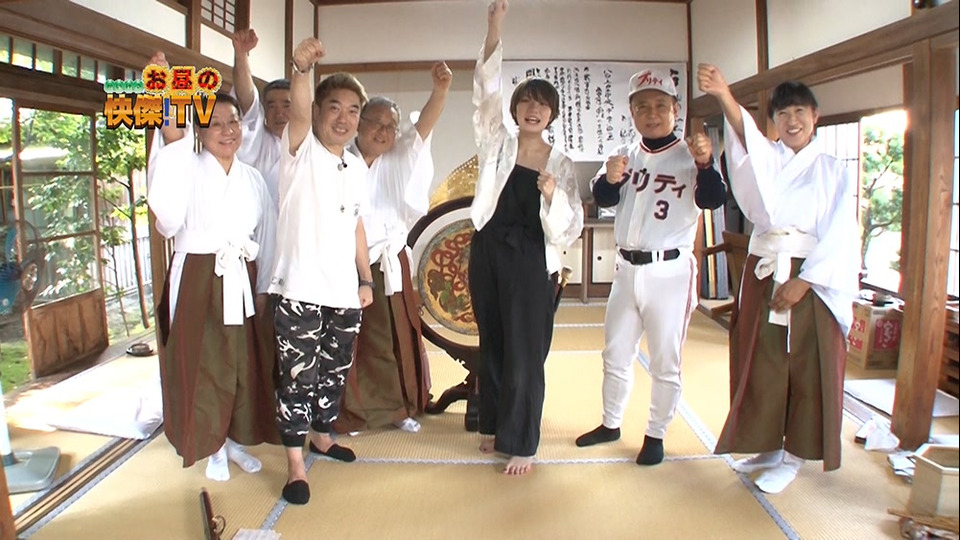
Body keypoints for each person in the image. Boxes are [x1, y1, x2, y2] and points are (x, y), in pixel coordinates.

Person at [697, 64, 860, 494]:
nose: (791, 121)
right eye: (782, 114)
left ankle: (794, 457)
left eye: (800, 112)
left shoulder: (832, 169)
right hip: (766, 269)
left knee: (805, 366)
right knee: (764, 360)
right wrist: (724, 96)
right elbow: (743, 134)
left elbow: (843, 232)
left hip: (811, 277)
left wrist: (806, 281)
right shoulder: (769, 157)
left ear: (815, 116)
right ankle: (767, 445)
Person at [575, 68, 727, 465]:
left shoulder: (691, 156)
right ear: (632, 111)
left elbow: (712, 200)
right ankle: (610, 423)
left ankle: (656, 434)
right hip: (626, 270)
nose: (652, 113)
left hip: (669, 272)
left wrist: (706, 164)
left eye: (661, 105)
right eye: (642, 106)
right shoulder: (625, 153)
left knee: (664, 360)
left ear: (676, 109)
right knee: (615, 353)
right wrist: (610, 179)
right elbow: (602, 198)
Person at [146, 52, 280, 482]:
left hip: (240, 275)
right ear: (199, 131)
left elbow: (268, 235)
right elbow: (167, 209)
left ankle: (234, 437)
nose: (227, 131)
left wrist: (265, 286)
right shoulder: (185, 166)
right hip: (199, 277)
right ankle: (212, 446)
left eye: (233, 122)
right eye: (215, 123)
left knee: (240, 360)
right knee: (204, 362)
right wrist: (168, 88)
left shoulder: (252, 178)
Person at [470, 0, 584, 476]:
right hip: (488, 249)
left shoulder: (560, 163)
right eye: (526, 102)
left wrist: (554, 196)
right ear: (515, 109)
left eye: (542, 104)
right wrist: (494, 26)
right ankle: (495, 424)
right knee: (493, 339)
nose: (533, 109)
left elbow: (572, 226)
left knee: (525, 350)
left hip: (532, 260)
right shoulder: (497, 141)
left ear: (551, 113)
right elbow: (485, 91)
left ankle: (523, 443)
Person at [269, 37, 373, 505]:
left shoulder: (356, 166)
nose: (344, 118)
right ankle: (295, 465)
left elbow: (357, 226)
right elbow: (296, 109)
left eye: (353, 111)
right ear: (316, 112)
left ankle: (323, 437)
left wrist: (365, 279)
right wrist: (301, 68)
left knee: (333, 373)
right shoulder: (300, 150)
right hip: (300, 290)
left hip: (344, 293)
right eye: (334, 108)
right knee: (298, 377)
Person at [334, 62, 453, 435]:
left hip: (390, 260)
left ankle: (400, 407)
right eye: (376, 123)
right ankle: (354, 412)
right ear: (360, 123)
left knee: (396, 336)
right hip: (347, 263)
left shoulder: (399, 155)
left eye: (391, 126)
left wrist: (440, 91)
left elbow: (425, 125)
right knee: (352, 341)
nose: (384, 131)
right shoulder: (339, 159)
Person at [232, 28, 289, 209]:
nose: (279, 113)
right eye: (271, 106)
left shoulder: (312, 144)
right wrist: (241, 55)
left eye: (287, 105)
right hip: (257, 223)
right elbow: (247, 97)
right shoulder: (257, 137)